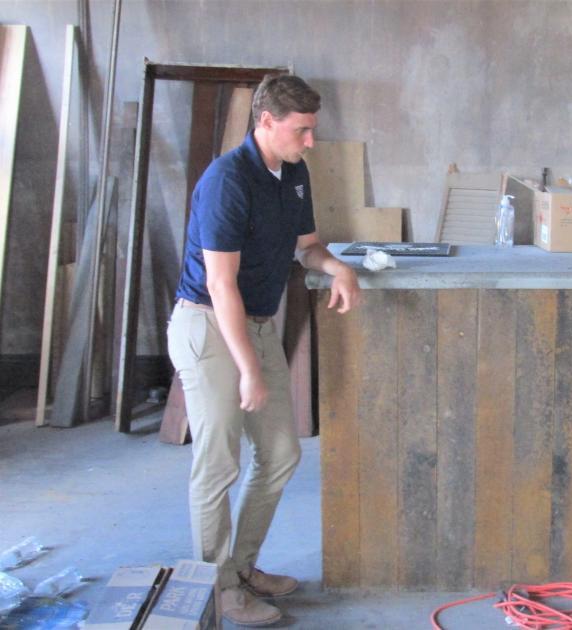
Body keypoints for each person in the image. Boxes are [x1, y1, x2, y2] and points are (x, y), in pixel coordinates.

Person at [167, 73, 360, 627]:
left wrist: (338, 266)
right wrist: (250, 369)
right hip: (207, 325)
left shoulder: (293, 174)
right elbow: (220, 284)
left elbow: (308, 248)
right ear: (267, 122)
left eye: (313, 130)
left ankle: (243, 568)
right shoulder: (227, 181)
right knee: (219, 462)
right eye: (302, 130)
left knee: (280, 453)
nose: (310, 142)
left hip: (253, 323)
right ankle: (219, 589)